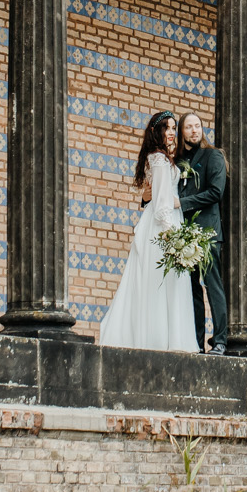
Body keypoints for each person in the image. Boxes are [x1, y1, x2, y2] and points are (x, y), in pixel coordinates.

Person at [96, 111, 199, 351]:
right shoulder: (160, 160)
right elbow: (162, 203)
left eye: (174, 128)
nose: (172, 132)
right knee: (162, 284)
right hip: (162, 226)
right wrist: (173, 236)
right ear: (157, 132)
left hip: (156, 222)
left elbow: (152, 195)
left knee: (155, 284)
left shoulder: (159, 158)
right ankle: (162, 341)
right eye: (167, 128)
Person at [177, 112, 228, 353]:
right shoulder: (177, 161)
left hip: (207, 233)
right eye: (189, 127)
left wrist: (183, 203)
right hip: (184, 234)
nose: (195, 131)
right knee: (191, 291)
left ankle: (219, 341)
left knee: (212, 285)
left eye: (198, 126)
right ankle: (196, 344)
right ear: (182, 132)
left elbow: (216, 192)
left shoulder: (213, 156)